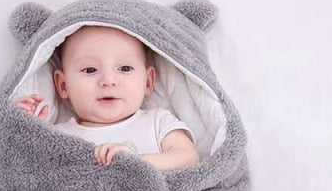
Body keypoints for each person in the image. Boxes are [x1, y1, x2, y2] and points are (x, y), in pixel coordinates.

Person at [15, 25, 200, 170]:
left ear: (148, 81)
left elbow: (188, 158)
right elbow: (31, 174)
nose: (108, 81)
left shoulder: (157, 121)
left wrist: (138, 162)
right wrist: (27, 129)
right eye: (90, 70)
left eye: (125, 69)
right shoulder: (59, 136)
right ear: (63, 85)